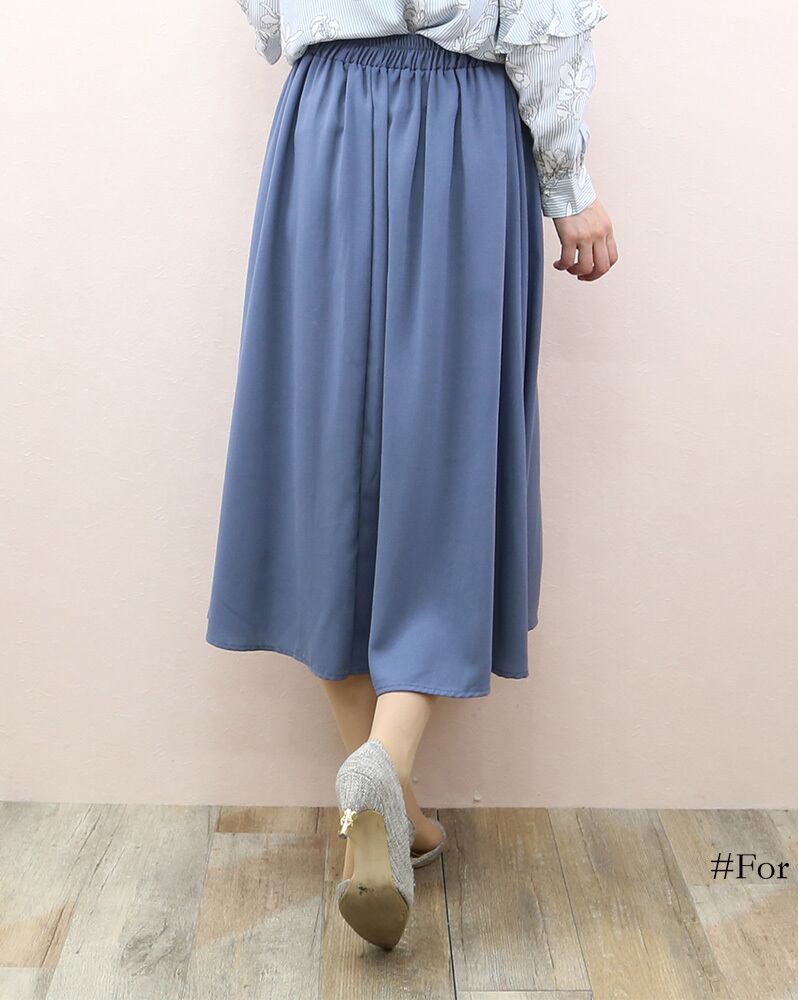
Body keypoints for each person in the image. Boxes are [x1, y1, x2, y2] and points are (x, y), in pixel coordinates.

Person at [206, 0, 617, 950]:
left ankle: (396, 807)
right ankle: (386, 761)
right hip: (462, 123)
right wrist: (568, 182)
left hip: (325, 121)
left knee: (321, 447)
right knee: (450, 450)